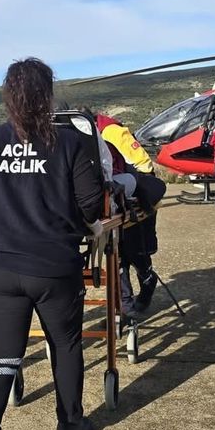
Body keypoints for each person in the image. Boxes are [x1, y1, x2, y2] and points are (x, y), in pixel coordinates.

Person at [0, 58, 103, 430]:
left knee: (1, 354)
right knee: (66, 343)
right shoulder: (69, 142)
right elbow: (91, 204)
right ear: (47, 96)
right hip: (53, 266)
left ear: (8, 96)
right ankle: (70, 423)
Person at [88, 109, 165, 321]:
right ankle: (126, 306)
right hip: (110, 199)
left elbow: (143, 163)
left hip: (134, 197)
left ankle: (147, 279)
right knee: (117, 256)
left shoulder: (110, 131)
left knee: (136, 251)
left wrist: (134, 188)